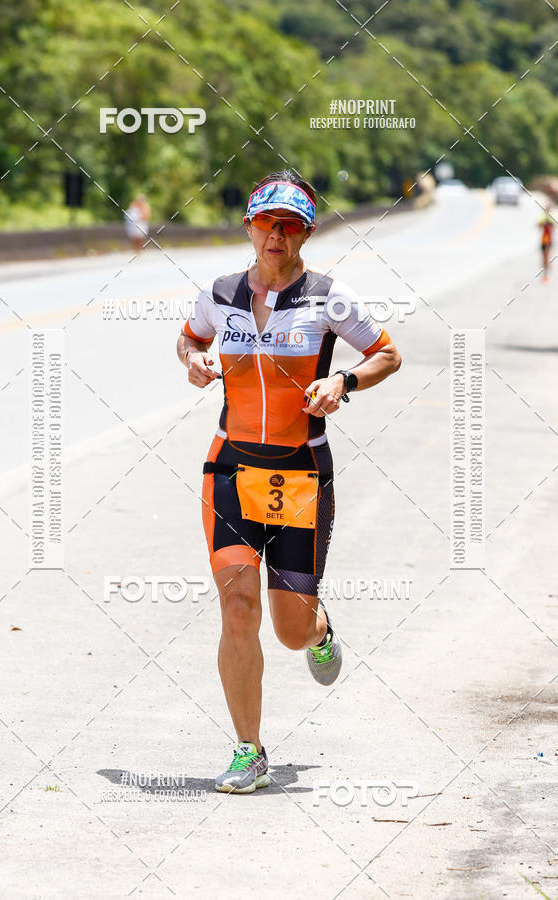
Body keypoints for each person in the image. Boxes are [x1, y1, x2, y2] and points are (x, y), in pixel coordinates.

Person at [177, 170, 401, 794]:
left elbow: (387, 352)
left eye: (291, 226)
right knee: (237, 605)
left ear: (305, 232)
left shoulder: (328, 296)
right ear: (249, 225)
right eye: (266, 223)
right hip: (229, 467)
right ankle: (248, 748)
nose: (277, 236)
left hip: (300, 472)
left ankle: (320, 629)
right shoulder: (219, 292)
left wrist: (343, 382)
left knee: (289, 628)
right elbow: (189, 339)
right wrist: (193, 360)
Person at [539, 203, 554, 283]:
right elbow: (538, 225)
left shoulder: (551, 218)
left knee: (547, 256)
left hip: (549, 240)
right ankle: (545, 273)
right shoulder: (543, 217)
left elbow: (553, 227)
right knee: (544, 257)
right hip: (543, 239)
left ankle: (546, 274)